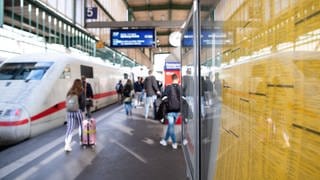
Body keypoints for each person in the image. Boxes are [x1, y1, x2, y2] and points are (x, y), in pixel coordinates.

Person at [160, 74, 181, 149]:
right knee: (170, 126)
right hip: (178, 110)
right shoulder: (180, 88)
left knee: (171, 127)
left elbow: (163, 98)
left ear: (172, 79)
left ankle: (174, 143)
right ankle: (165, 140)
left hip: (170, 110)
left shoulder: (168, 87)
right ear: (177, 79)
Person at [64, 79, 84, 152]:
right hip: (77, 111)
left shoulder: (69, 91)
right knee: (81, 125)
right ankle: (82, 141)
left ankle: (67, 145)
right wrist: (82, 110)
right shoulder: (81, 91)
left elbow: (66, 102)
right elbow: (82, 102)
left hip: (69, 112)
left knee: (70, 128)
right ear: (80, 84)